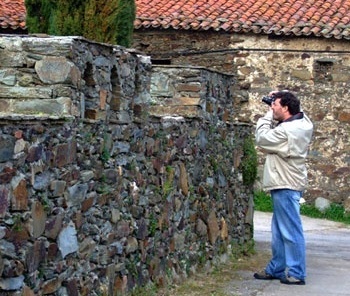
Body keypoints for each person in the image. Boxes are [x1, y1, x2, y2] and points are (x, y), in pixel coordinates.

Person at [253, 90, 313, 285]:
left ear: (285, 108)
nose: (272, 107)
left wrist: (268, 115)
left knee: (290, 230)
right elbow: (297, 109)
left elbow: (261, 137)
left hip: (286, 184)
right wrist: (281, 96)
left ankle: (296, 272)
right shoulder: (304, 123)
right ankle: (276, 268)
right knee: (279, 231)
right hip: (287, 183)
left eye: (275, 105)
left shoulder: (286, 131)